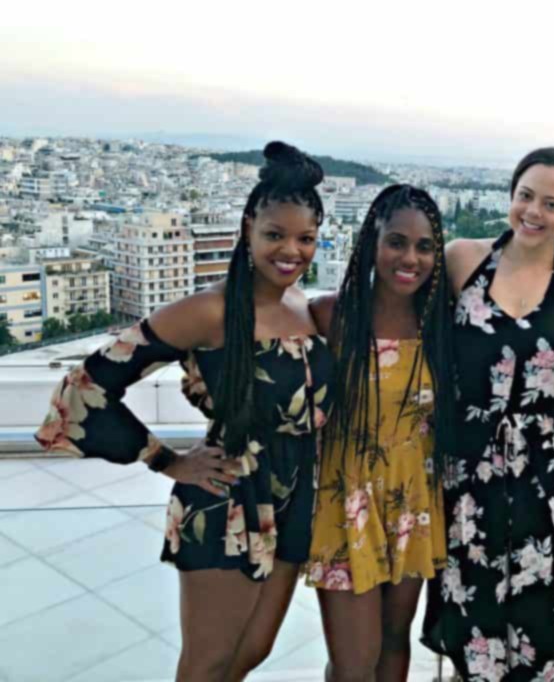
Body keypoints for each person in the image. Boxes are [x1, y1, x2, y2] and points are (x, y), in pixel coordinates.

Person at [35, 142, 335, 682]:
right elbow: (86, 385)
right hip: (229, 498)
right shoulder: (210, 310)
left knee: (253, 650)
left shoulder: (303, 306)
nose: (291, 250)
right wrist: (166, 460)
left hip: (296, 498)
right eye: (275, 235)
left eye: (305, 238)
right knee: (207, 663)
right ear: (247, 229)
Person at [422, 148, 554, 681]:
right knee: (471, 606)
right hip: (467, 467)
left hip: (548, 476)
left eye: (551, 203)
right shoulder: (462, 261)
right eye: (525, 195)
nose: (533, 211)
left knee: (539, 612)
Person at [305, 185, 455, 682]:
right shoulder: (330, 316)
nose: (410, 258)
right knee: (354, 664)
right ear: (371, 242)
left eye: (425, 247)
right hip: (346, 502)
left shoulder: (440, 325)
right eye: (397, 242)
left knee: (394, 643)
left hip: (414, 500)